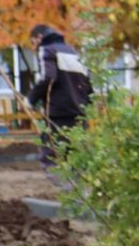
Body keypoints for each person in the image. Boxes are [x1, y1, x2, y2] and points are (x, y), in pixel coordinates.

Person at [27, 24, 94, 165]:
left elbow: (48, 78)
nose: (33, 48)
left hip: (58, 115)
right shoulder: (73, 52)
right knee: (77, 156)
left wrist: (31, 99)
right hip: (79, 114)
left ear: (39, 38)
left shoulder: (47, 49)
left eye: (33, 43)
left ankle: (62, 186)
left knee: (51, 156)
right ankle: (78, 186)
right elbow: (88, 84)